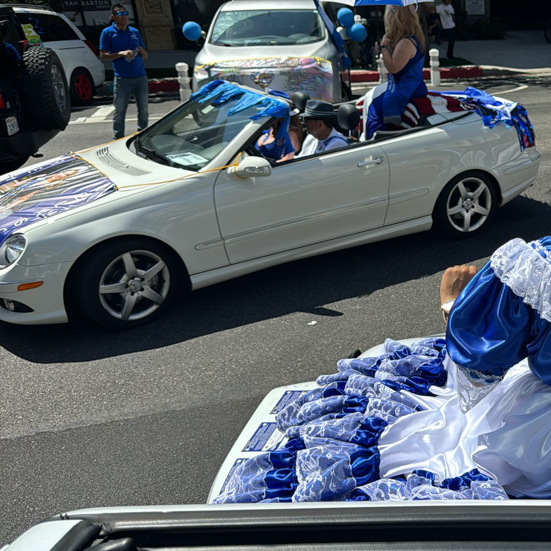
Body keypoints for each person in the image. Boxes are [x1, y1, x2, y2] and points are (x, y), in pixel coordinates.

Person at [213, 235, 551, 503]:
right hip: (533, 426)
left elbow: (478, 363)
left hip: (531, 426)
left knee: (433, 446)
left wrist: (452, 305)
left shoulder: (538, 265)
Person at [366, 5, 427, 140]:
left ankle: (374, 141)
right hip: (412, 85)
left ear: (395, 18)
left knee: (375, 107)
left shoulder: (406, 42)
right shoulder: (409, 38)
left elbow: (394, 67)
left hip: (408, 88)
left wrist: (383, 48)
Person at [99, 4, 149, 139]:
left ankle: (142, 134)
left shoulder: (134, 32)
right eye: (120, 14)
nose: (124, 16)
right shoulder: (108, 33)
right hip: (122, 77)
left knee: (143, 109)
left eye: (126, 13)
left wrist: (141, 52)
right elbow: (103, 55)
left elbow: (145, 55)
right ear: (113, 17)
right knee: (120, 110)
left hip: (140, 75)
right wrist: (120, 54)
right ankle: (118, 137)